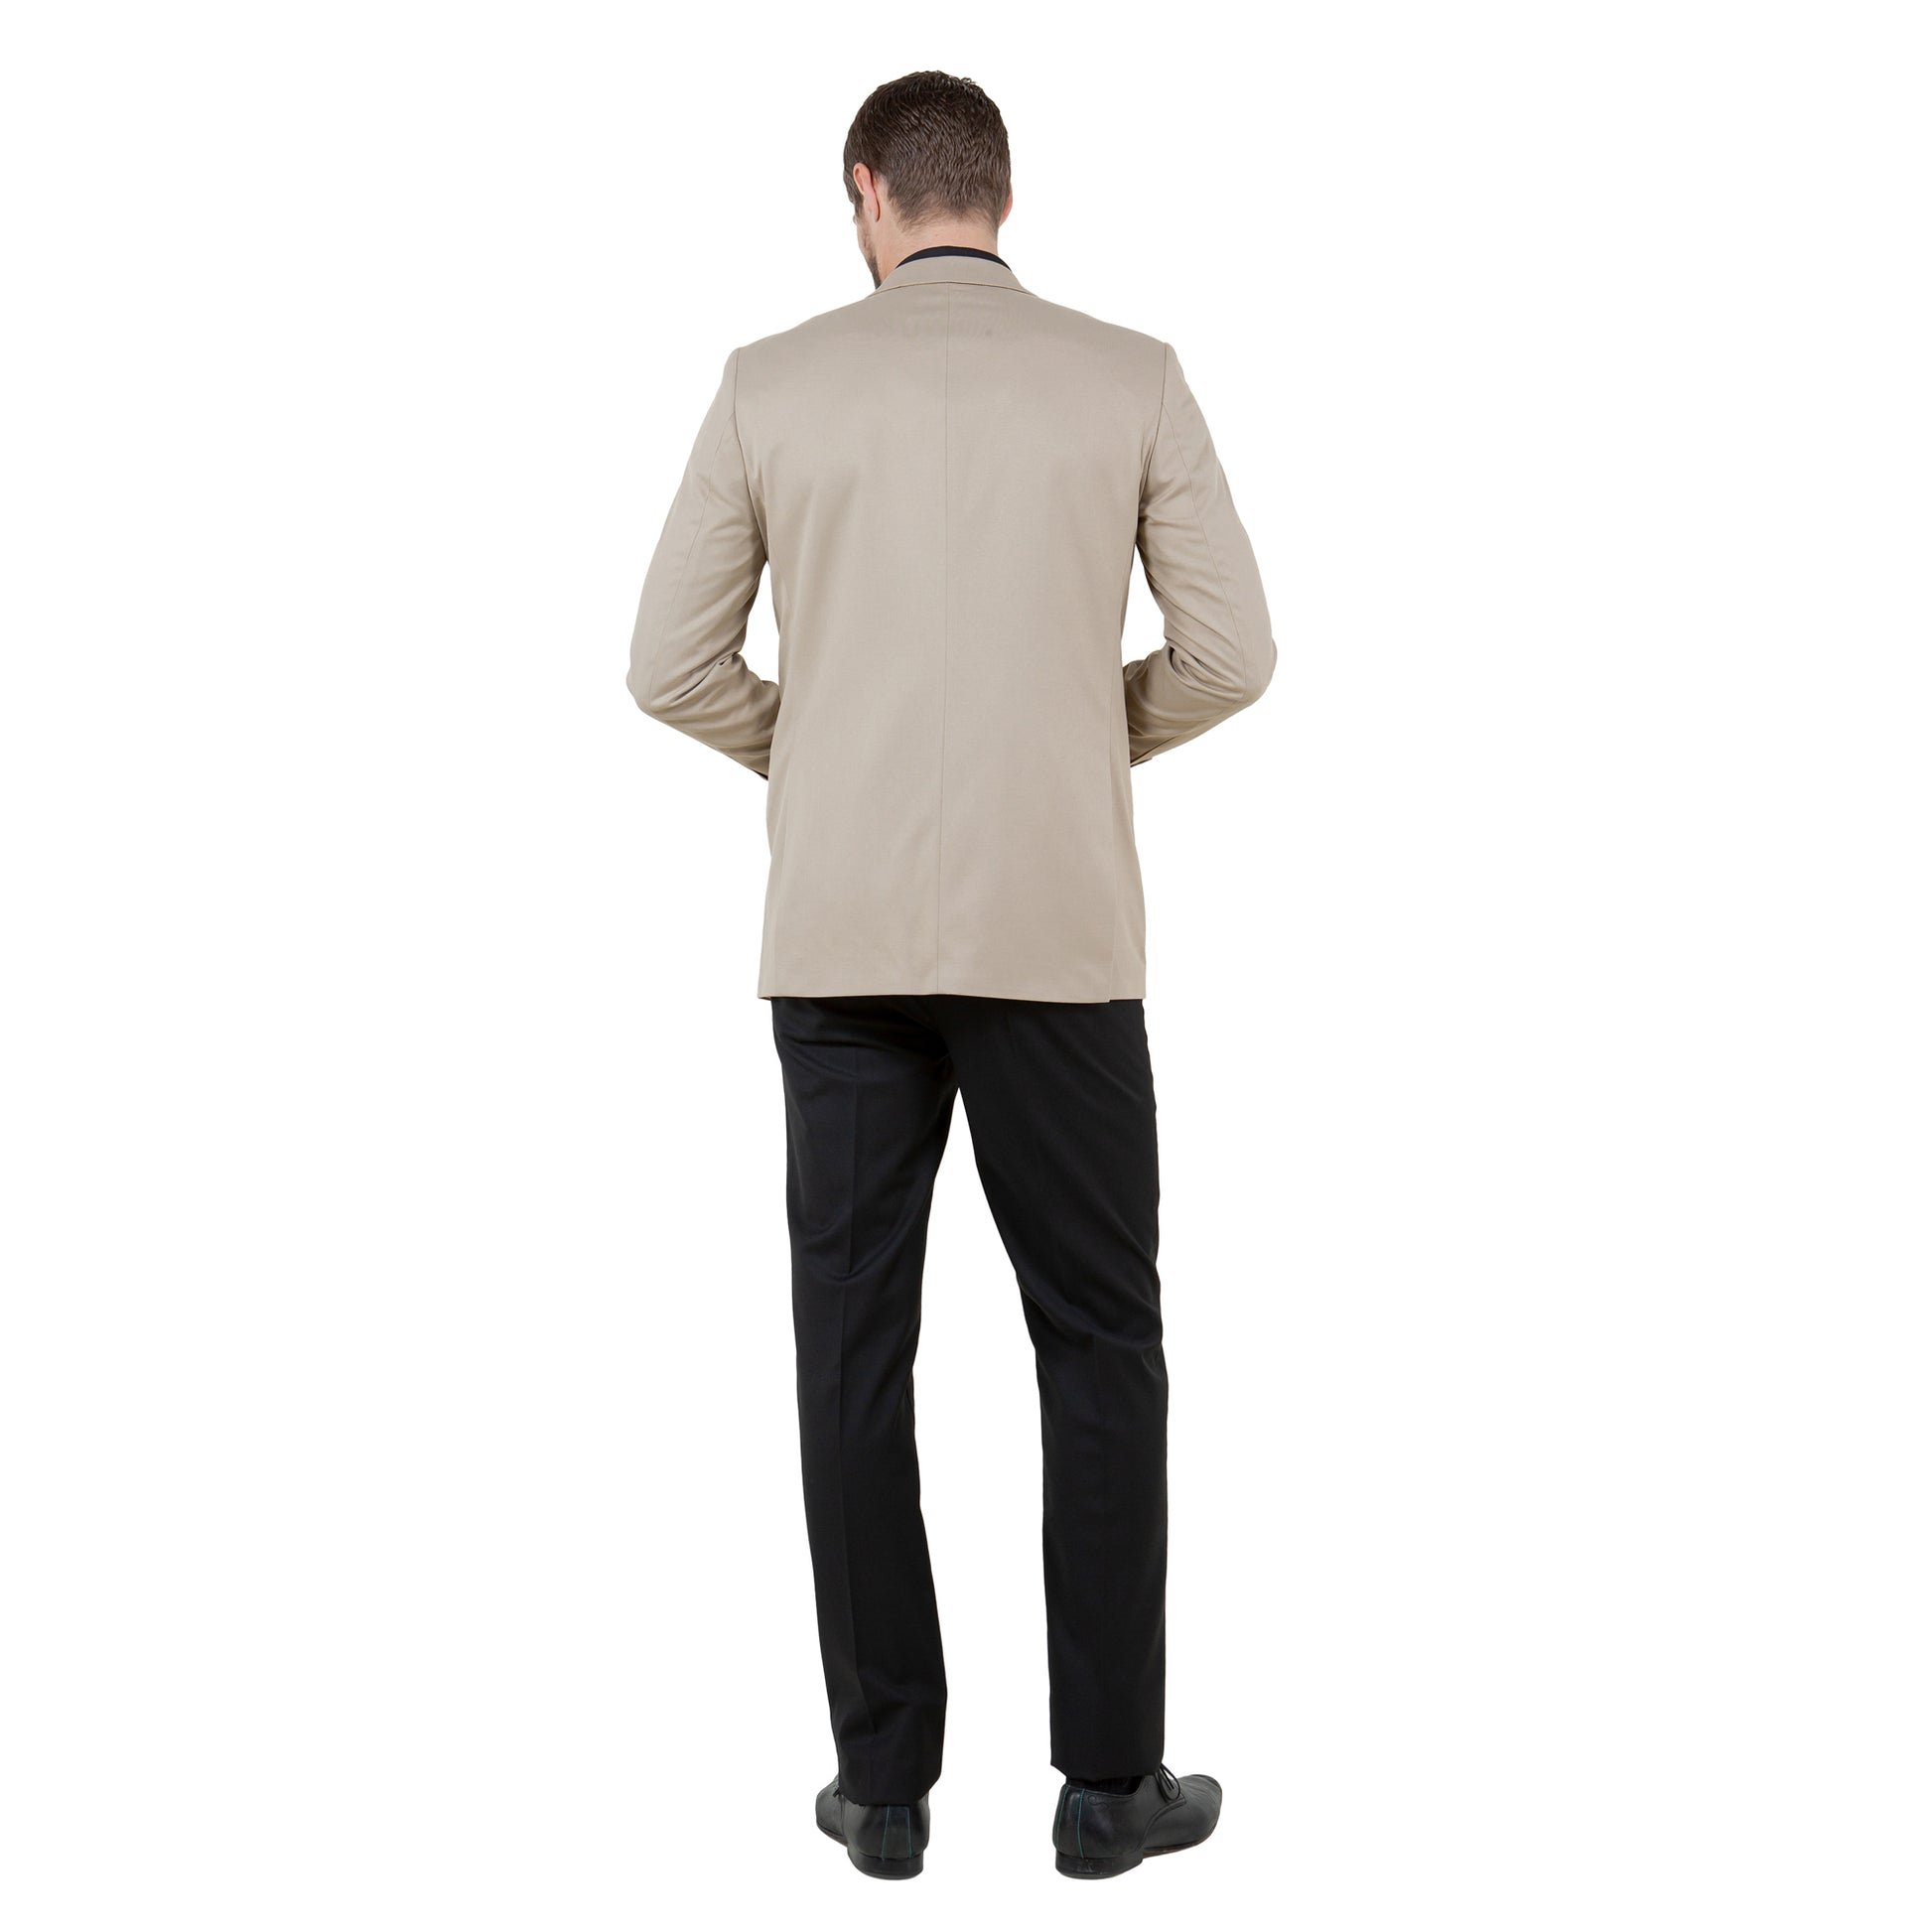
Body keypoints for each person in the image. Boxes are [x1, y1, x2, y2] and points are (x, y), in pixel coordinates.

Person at [626, 69, 1275, 1881]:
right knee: (1101, 1345)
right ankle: (1108, 1788)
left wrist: (823, 755)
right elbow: (1232, 653)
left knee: (851, 1352)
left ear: (867, 192)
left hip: (838, 944)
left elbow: (666, 665)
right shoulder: (1126, 375)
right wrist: (1070, 738)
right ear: (1001, 191)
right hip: (1055, 938)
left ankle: (883, 1787)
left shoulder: (770, 383)